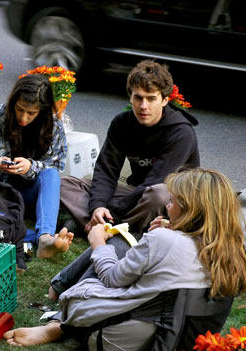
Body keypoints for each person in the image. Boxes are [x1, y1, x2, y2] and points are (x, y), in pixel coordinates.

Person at [3, 168, 246, 349]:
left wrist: (98, 243)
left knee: (112, 247)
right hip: (180, 340)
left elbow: (112, 279)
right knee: (122, 247)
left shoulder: (164, 239)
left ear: (190, 208)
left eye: (172, 201)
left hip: (114, 337)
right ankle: (58, 293)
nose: (167, 207)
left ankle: (58, 315)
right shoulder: (233, 250)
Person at [60, 60, 199, 235]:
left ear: (164, 100)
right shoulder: (122, 123)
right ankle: (105, 224)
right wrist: (98, 205)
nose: (143, 106)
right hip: (137, 193)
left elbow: (157, 181)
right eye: (138, 97)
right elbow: (106, 170)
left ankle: (109, 227)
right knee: (65, 184)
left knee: (158, 194)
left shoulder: (181, 133)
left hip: (174, 201)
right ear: (130, 97)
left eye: (151, 99)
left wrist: (115, 210)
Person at [0, 74, 73, 259]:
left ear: (43, 110)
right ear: (12, 102)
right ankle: (37, 238)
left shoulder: (54, 126)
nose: (24, 117)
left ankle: (46, 237)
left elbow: (57, 164)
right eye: (19, 109)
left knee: (51, 174)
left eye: (32, 113)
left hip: (30, 195)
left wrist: (31, 166)